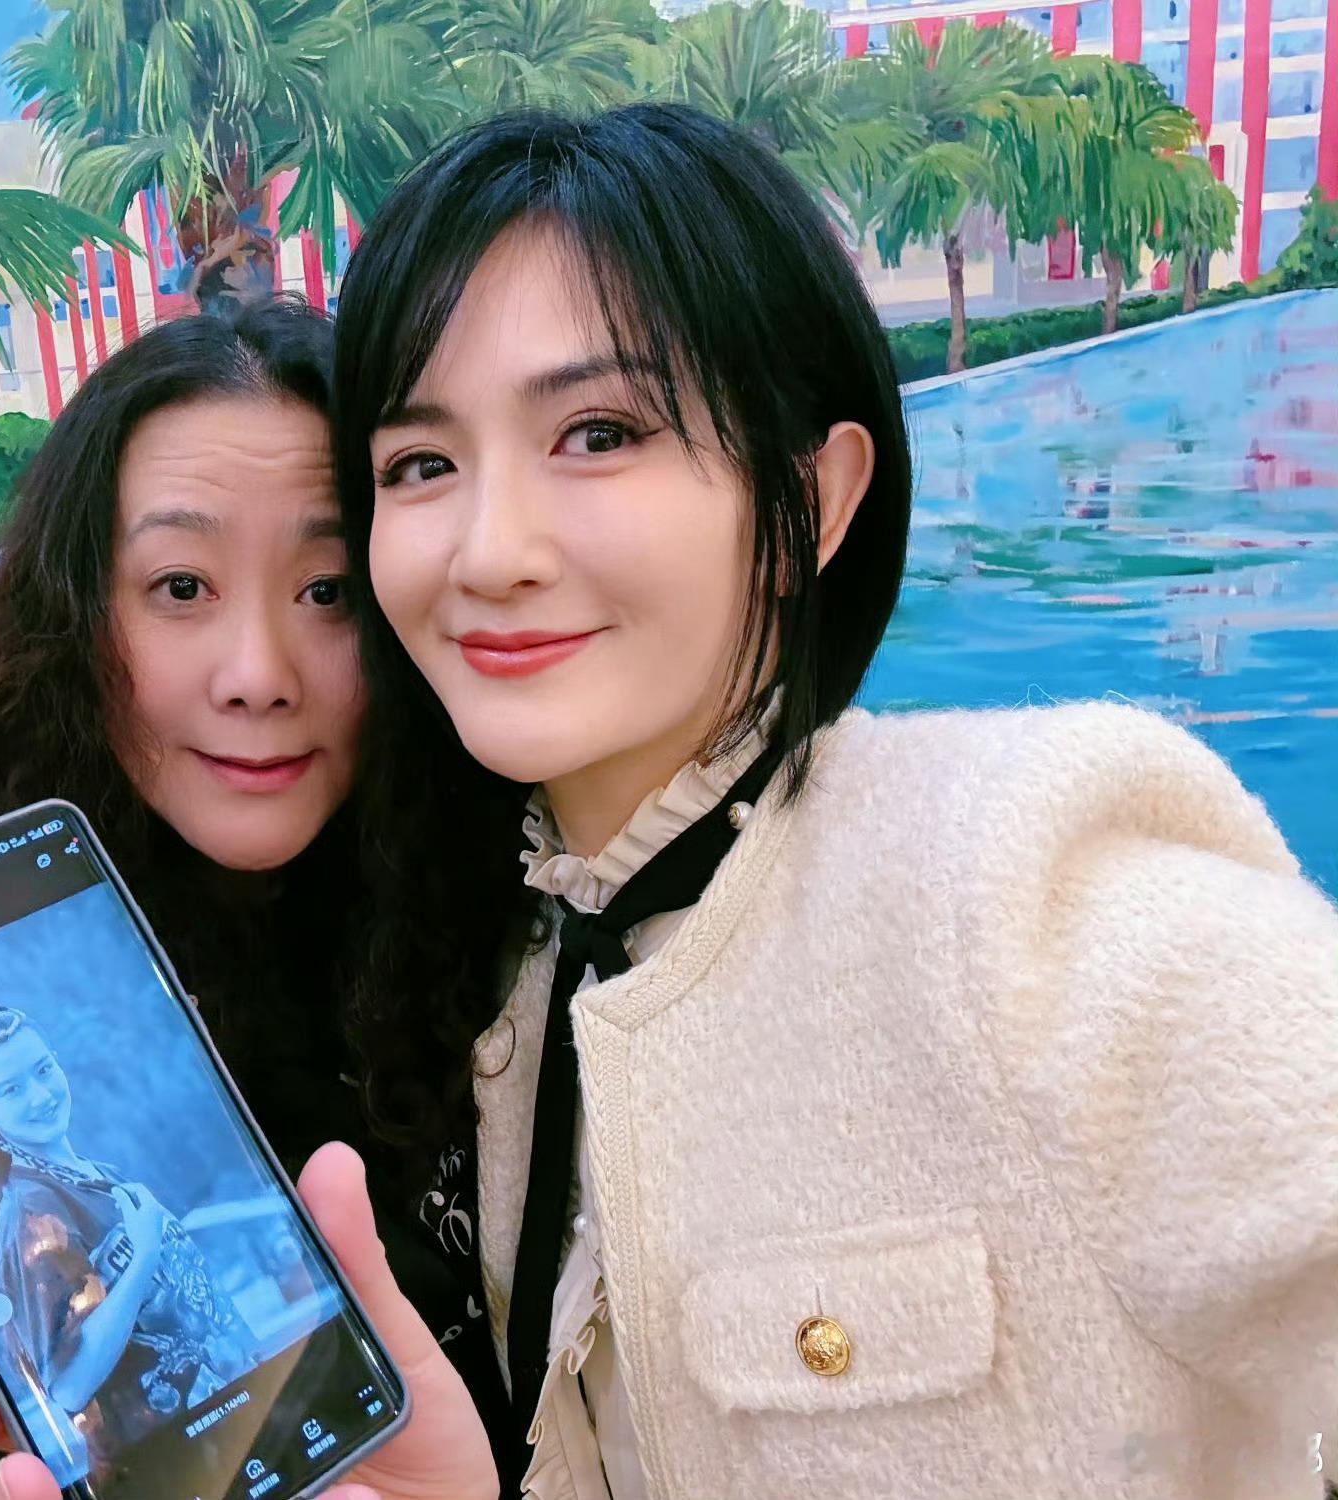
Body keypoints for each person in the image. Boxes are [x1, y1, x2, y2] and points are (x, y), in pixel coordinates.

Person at [313, 102, 1338, 1500]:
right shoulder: (506, 967)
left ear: (817, 496)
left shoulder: (1027, 893)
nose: (488, 552)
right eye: (421, 465)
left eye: (598, 433)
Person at [0, 298, 534, 1500]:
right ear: (78, 624)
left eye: (328, 590)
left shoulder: (509, 914)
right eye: (179, 586)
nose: (257, 676)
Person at [0, 1005, 255, 1468]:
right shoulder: (27, 1214)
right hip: (169, 1459)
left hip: (237, 1421)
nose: (40, 1095)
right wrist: (143, 1257)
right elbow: (68, 1386)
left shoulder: (101, 1175)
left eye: (43, 1069)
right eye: (11, 1089)